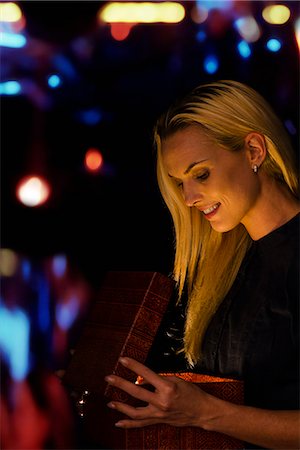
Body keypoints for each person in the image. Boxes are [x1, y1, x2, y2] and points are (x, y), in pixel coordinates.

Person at [104, 80, 300, 449]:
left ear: (254, 150)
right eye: (179, 182)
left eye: (201, 173)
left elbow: (210, 409)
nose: (189, 198)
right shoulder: (228, 264)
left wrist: (204, 413)